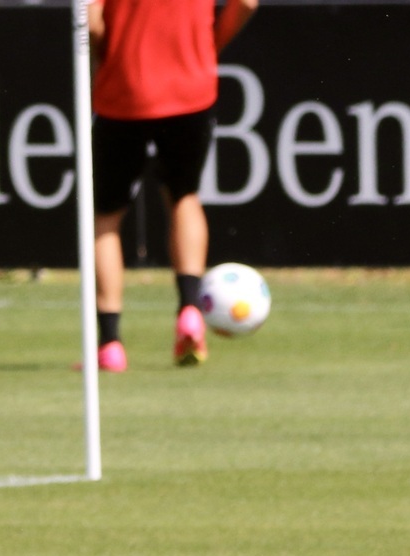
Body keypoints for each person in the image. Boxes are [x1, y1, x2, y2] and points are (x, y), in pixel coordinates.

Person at [88, 0, 258, 370]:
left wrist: (110, 56)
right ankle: (190, 310)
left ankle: (110, 344)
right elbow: (246, 2)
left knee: (105, 218)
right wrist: (207, 49)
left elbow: (91, 21)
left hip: (125, 90)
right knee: (184, 197)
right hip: (191, 87)